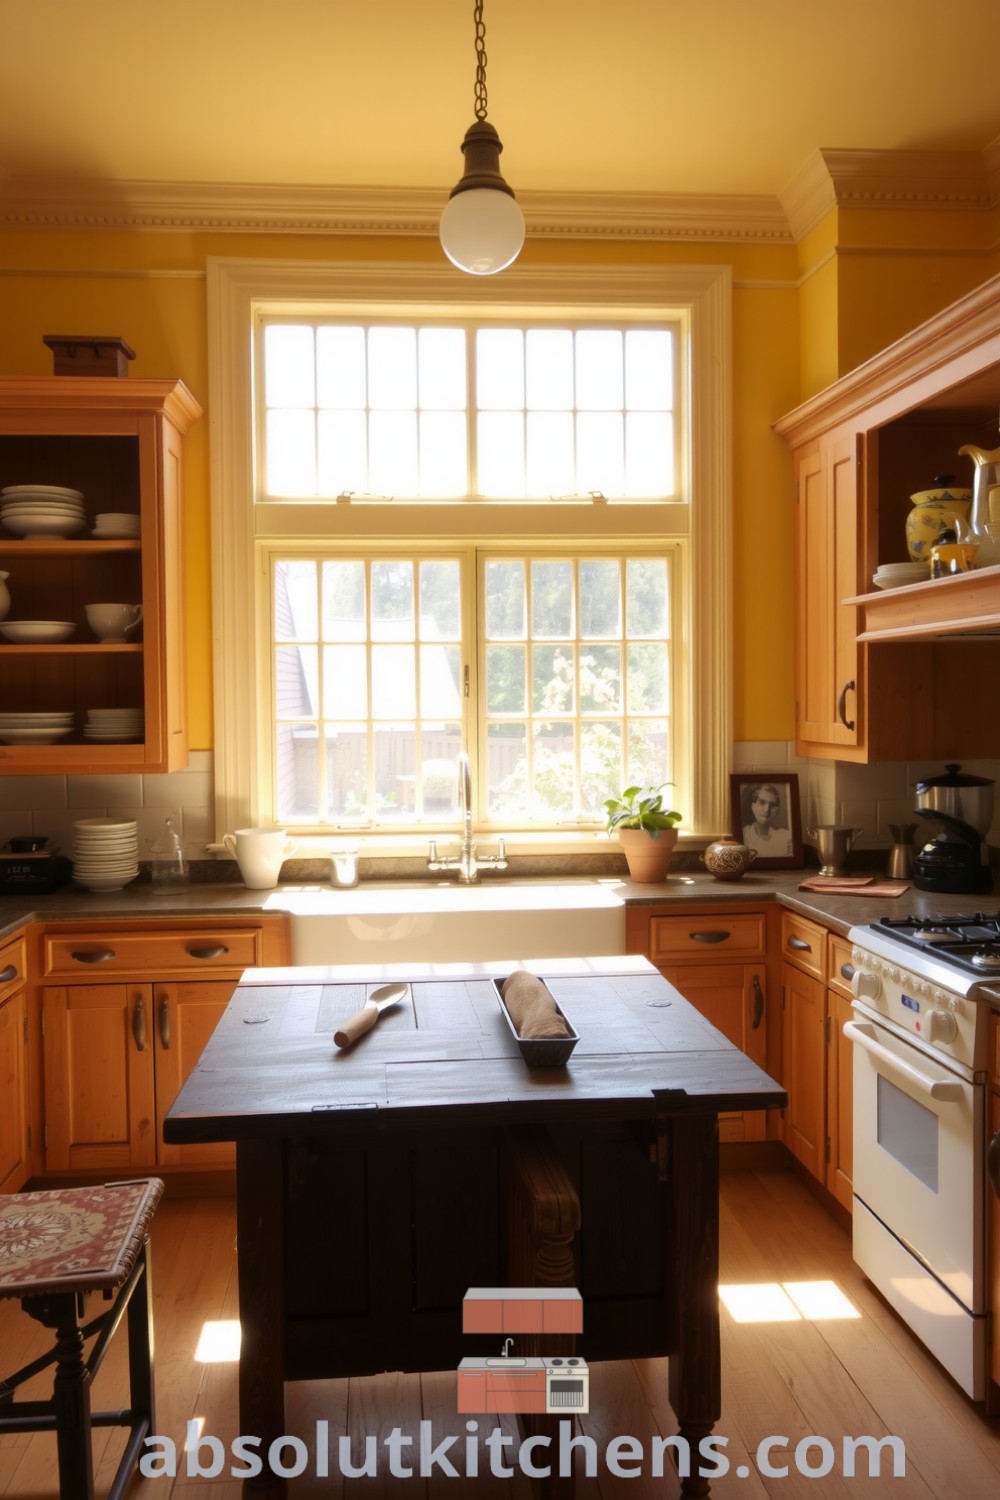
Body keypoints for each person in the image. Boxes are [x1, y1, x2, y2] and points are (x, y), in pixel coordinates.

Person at [742, 783, 792, 856]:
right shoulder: (744, 834)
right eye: (762, 802)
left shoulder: (786, 837)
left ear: (777, 809)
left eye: (772, 805)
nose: (766, 810)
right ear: (753, 805)